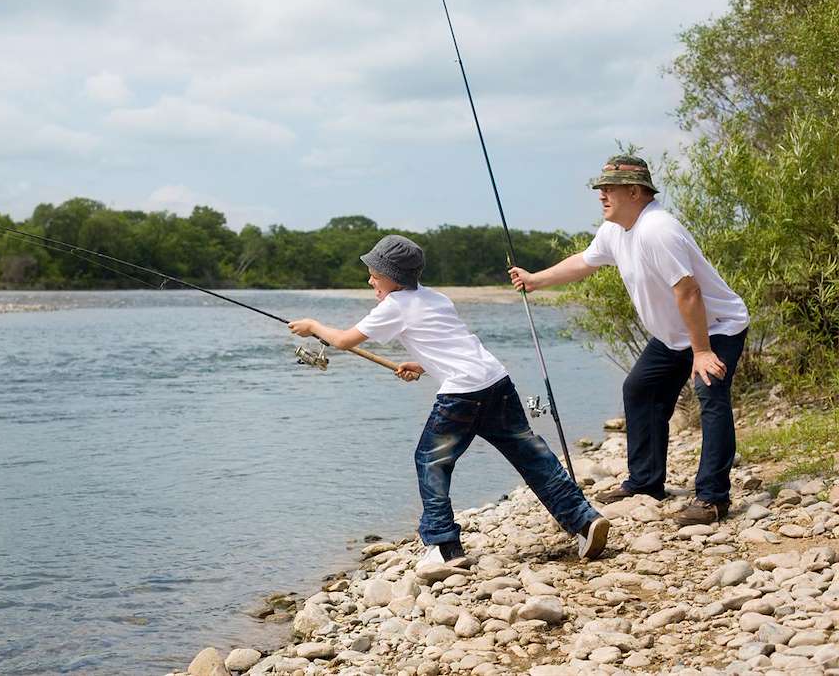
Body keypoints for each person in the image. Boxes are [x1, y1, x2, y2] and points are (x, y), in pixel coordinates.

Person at [288, 234, 610, 563]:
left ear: (393, 278)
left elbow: (342, 341)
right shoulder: (437, 298)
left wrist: (313, 325)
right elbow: (453, 346)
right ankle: (584, 521)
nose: (370, 279)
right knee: (530, 455)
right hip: (495, 381)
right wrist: (424, 366)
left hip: (462, 394)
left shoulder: (394, 305)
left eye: (375, 273)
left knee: (431, 461)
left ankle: (443, 546)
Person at [509, 155, 749, 526]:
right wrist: (536, 279)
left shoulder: (658, 230)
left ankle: (713, 499)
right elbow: (584, 262)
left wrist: (701, 352)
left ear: (635, 191)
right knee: (640, 389)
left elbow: (689, 292)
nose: (601, 194)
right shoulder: (616, 230)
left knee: (710, 396)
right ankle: (645, 483)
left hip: (715, 328)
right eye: (600, 188)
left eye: (609, 188)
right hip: (674, 336)